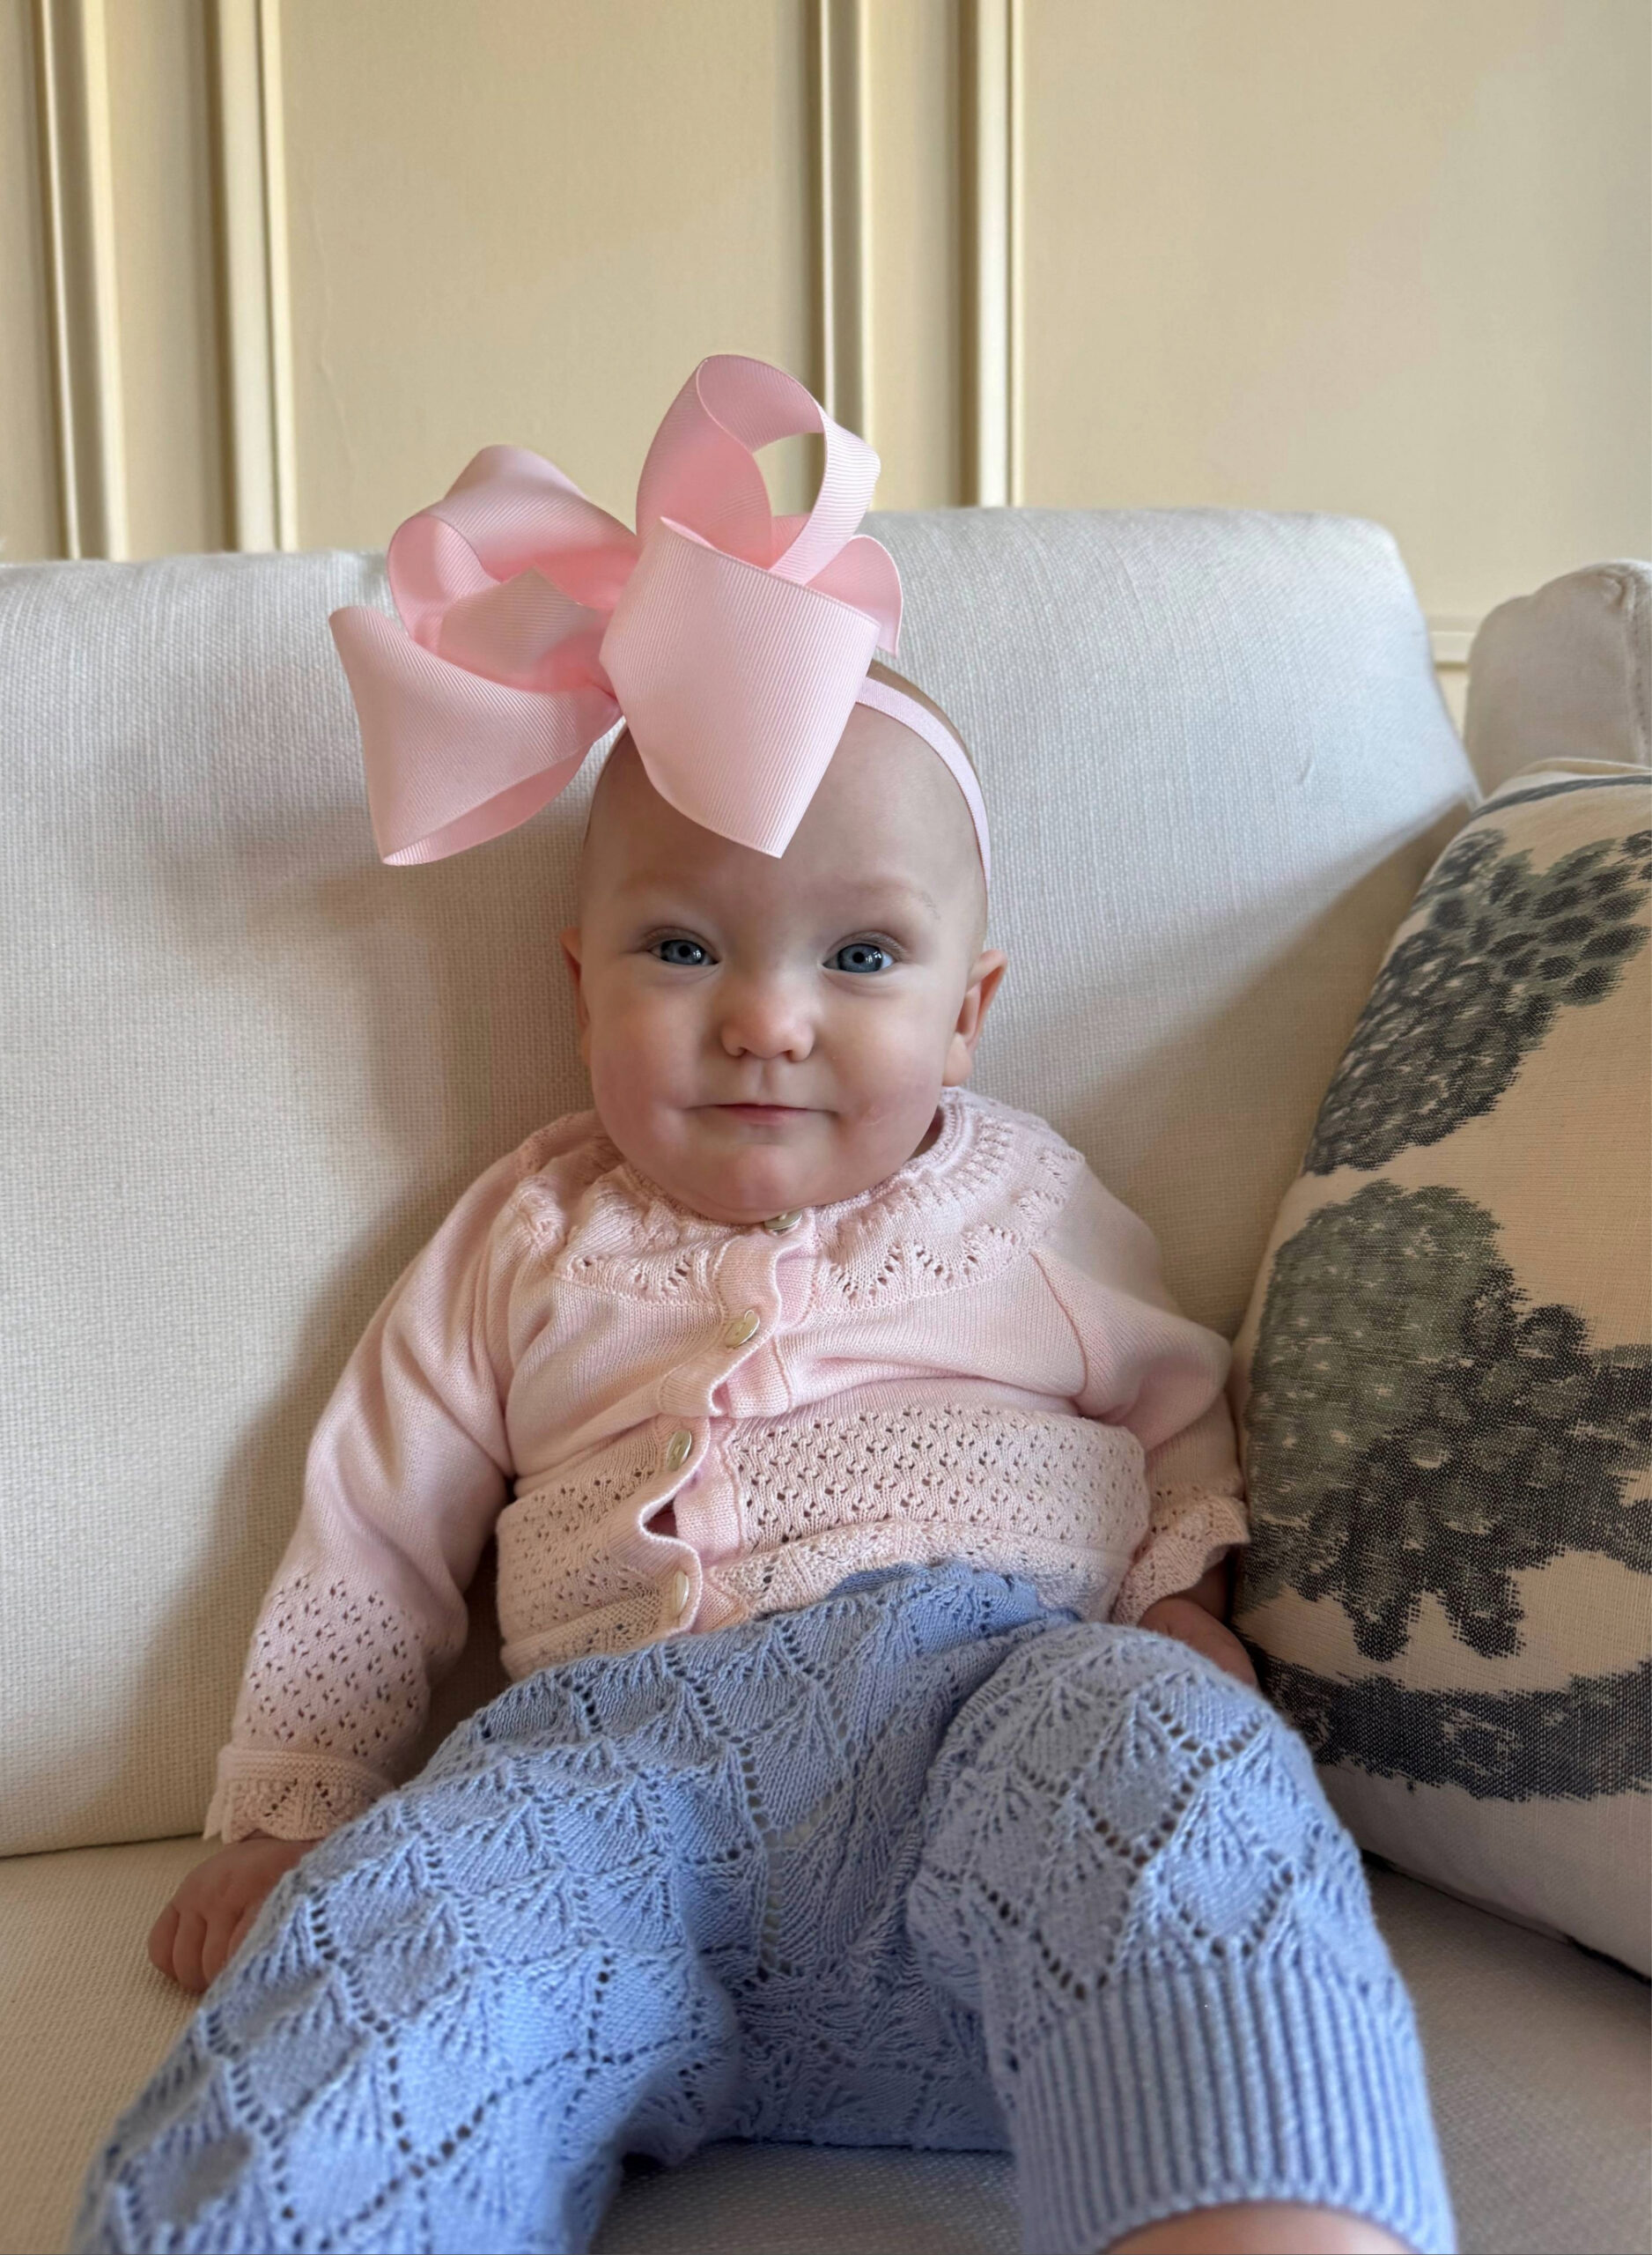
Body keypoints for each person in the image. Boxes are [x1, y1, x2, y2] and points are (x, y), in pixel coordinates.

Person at [75, 359, 1453, 2255]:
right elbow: (372, 1523)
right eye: (677, 945)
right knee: (412, 1916)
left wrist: (1174, 1606)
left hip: (989, 1721)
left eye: (860, 953)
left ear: (968, 1008)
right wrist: (293, 1802)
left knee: (1177, 1767)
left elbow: (1170, 1407)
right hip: (601, 1789)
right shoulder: (523, 1232)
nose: (762, 1012)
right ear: (579, 980)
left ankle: (1259, 2211)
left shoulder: (1027, 1199)